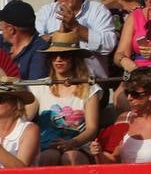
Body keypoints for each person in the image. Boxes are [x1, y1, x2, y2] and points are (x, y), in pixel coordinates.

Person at [27, 32, 101, 166]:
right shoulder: (39, 86)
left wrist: (72, 143)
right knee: (49, 156)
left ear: (75, 59)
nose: (58, 59)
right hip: (46, 146)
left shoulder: (90, 88)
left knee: (70, 157)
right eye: (54, 55)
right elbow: (24, 117)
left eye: (64, 55)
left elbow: (92, 128)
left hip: (79, 146)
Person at [0, 1, 47, 81]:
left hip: (20, 93)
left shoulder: (40, 50)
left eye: (1, 23)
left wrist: (8, 82)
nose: (0, 28)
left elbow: (35, 87)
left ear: (11, 29)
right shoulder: (0, 42)